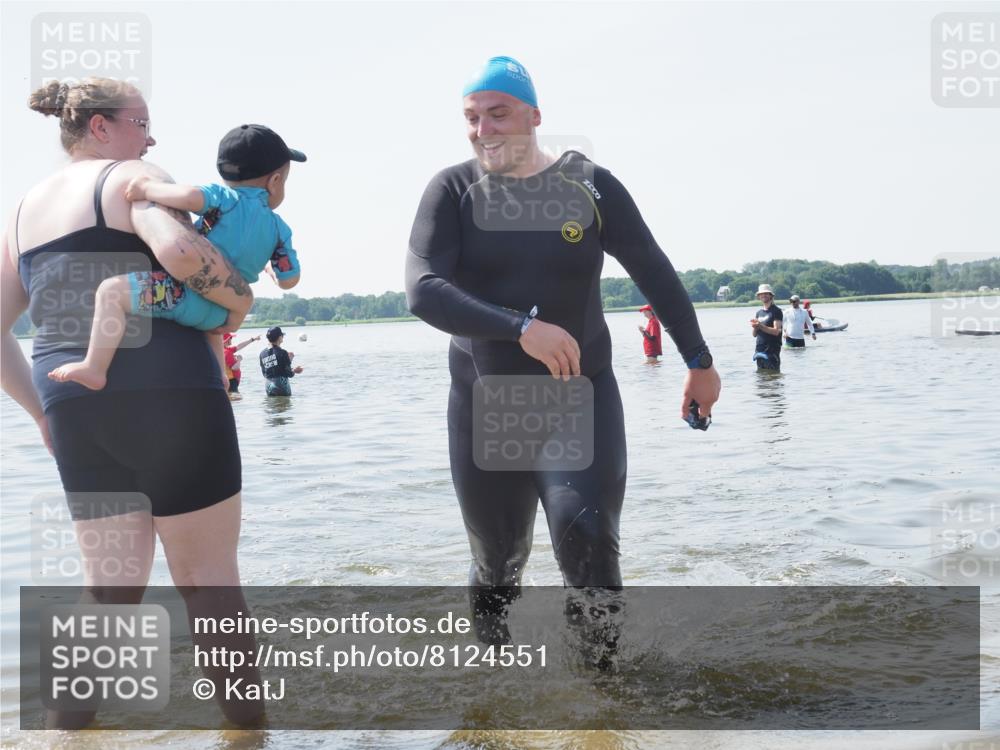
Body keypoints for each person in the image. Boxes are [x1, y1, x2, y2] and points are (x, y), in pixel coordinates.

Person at [405, 56, 721, 644]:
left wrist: (698, 361)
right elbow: (422, 290)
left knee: (589, 540)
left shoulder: (589, 184)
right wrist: (522, 326)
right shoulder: (452, 190)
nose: (483, 130)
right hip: (484, 405)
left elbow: (653, 268)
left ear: (534, 116)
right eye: (472, 118)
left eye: (498, 115)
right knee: (498, 566)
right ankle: (496, 683)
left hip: (579, 397)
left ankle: (601, 705)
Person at [2, 78, 262, 727]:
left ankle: (66, 736)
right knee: (207, 583)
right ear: (100, 128)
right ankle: (252, 736)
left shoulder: (23, 208)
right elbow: (179, 254)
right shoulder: (134, 175)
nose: (152, 137)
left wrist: (39, 412)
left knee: (109, 589)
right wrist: (237, 297)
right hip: (168, 386)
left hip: (72, 401)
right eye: (142, 122)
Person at [46, 124, 305, 391]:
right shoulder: (279, 230)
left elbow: (190, 197)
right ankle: (219, 377)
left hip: (181, 294)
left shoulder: (224, 197)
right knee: (212, 331)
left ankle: (94, 367)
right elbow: (289, 280)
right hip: (221, 314)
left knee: (111, 292)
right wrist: (271, 271)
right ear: (275, 182)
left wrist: (147, 189)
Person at [259, 326, 302, 396]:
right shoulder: (282, 352)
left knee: (272, 406)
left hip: (268, 386)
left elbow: (265, 373)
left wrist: (288, 360)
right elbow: (289, 373)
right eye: (282, 335)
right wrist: (295, 370)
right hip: (281, 386)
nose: (283, 337)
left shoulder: (262, 353)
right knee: (284, 405)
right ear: (279, 337)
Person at [750, 283, 783, 371]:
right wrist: (755, 327)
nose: (763, 295)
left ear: (771, 295)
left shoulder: (776, 311)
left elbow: (776, 331)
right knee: (761, 382)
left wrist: (760, 325)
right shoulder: (759, 313)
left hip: (772, 352)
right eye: (761, 294)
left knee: (773, 380)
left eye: (766, 293)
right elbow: (754, 335)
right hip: (759, 351)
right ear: (759, 296)